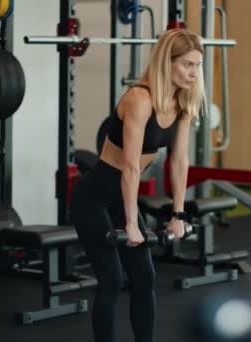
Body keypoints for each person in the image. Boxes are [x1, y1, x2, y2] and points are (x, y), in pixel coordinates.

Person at [70, 29, 204, 342]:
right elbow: (130, 167)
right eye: (187, 64)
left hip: (119, 197)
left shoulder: (183, 102)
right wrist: (132, 223)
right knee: (112, 279)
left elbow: (180, 162)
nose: (194, 72)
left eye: (197, 65)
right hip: (93, 198)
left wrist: (179, 215)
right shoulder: (139, 98)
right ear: (166, 63)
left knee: (145, 277)